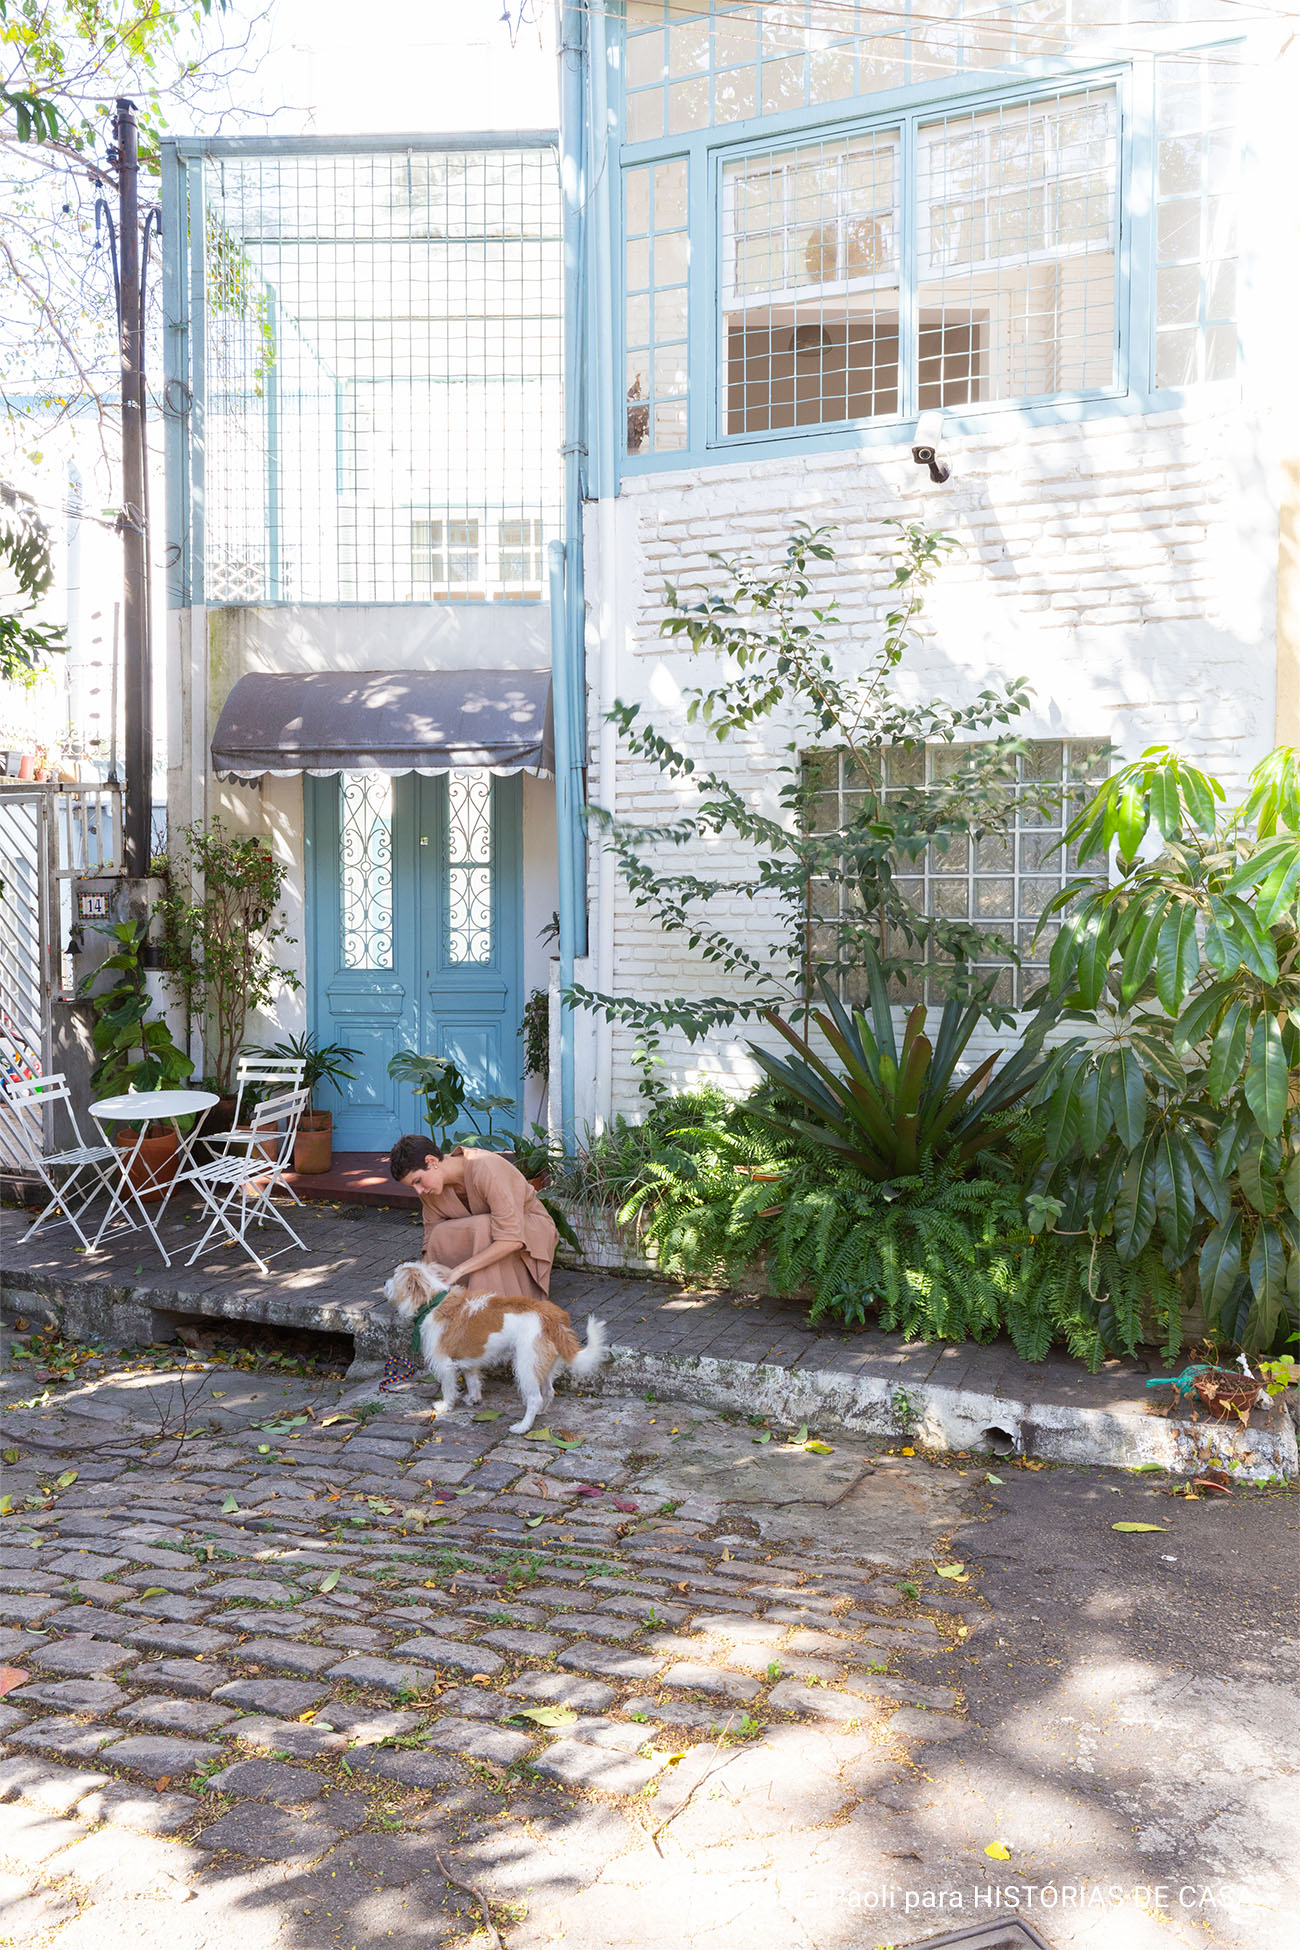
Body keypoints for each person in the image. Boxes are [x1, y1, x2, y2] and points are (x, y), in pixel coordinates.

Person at [388, 1134, 558, 1300]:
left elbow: (511, 1238)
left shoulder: (486, 1167)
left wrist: (459, 1271)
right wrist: (423, 1283)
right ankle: (455, 1300)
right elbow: (432, 1240)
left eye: (418, 1181)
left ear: (431, 1161)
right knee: (441, 1233)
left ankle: (494, 1304)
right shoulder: (430, 1190)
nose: (418, 1191)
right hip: (488, 1236)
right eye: (413, 1186)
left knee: (482, 1226)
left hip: (528, 1231)